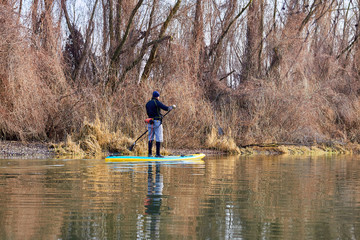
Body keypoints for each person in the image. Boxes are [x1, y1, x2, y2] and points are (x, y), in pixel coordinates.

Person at [146, 91, 175, 157]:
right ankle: (157, 154)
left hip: (150, 122)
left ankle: (149, 154)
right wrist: (172, 107)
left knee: (150, 138)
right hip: (157, 122)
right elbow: (166, 108)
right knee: (158, 137)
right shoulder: (157, 102)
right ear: (157, 97)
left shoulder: (147, 103)